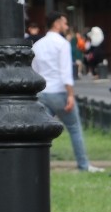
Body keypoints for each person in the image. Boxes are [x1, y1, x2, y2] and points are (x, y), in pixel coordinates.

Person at [32, 11, 103, 173]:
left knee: (40, 131)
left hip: (42, 93)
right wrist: (70, 95)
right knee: (74, 128)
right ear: (56, 23)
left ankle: (35, 163)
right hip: (59, 92)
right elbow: (66, 73)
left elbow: (34, 71)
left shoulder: (38, 45)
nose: (66, 26)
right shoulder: (62, 44)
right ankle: (83, 165)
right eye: (64, 23)